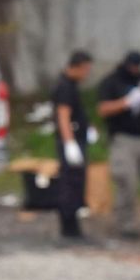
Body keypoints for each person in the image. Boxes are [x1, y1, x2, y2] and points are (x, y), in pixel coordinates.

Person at [97, 51, 140, 238]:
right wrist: (126, 102)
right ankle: (126, 224)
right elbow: (103, 109)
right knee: (126, 181)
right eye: (133, 66)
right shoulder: (112, 81)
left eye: (138, 66)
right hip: (123, 138)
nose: (136, 69)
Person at [52, 50, 94, 239]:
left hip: (77, 138)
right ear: (76, 67)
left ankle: (73, 224)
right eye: (85, 69)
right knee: (70, 183)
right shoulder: (65, 87)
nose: (87, 74)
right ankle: (69, 227)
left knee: (77, 182)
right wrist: (70, 143)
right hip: (71, 142)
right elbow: (63, 116)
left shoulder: (71, 85)